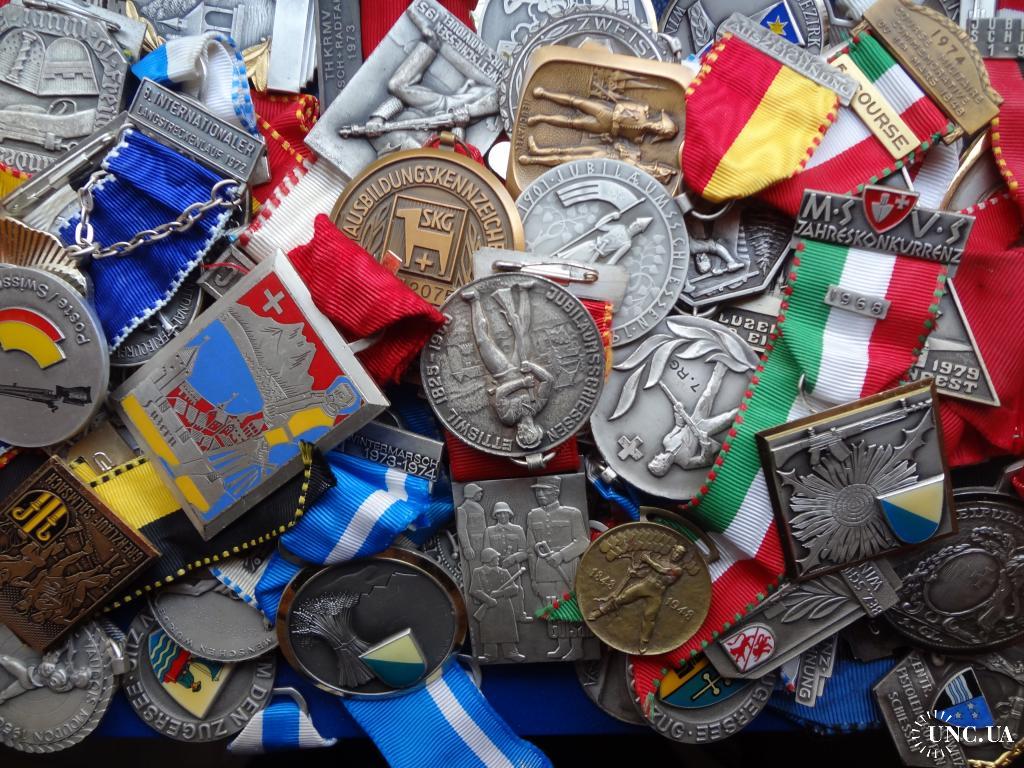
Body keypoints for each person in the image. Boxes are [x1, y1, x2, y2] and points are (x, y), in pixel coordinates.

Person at [462, 282, 553, 450]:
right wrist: (532, 367)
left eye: (521, 436)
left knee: (482, 340)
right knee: (522, 331)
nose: (522, 432)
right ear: (534, 429)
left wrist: (522, 383)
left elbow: (500, 393)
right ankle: (524, 291)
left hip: (502, 372)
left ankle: (474, 300)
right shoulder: (537, 406)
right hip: (521, 367)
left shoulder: (508, 418)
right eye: (527, 433)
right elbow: (548, 380)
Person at [526, 477, 588, 659]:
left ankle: (577, 648)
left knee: (570, 608)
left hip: (566, 569)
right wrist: (533, 578)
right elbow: (530, 550)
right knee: (552, 608)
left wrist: (561, 555)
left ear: (556, 492)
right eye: (537, 491)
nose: (540, 494)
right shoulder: (533, 515)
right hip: (543, 570)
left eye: (544, 490)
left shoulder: (572, 513)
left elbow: (583, 541)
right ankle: (562, 646)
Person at [587, 545, 690, 653]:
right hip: (645, 585)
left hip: (656, 594)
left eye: (680, 554)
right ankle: (598, 612)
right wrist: (636, 574)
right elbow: (648, 572)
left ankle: (644, 642)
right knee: (621, 598)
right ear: (672, 550)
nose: (677, 555)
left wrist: (648, 560)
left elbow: (662, 570)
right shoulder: (659, 559)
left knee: (650, 617)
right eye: (676, 552)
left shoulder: (678, 570)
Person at [469, 548, 526, 662]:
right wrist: (488, 599)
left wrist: (499, 593)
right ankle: (489, 654)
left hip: (504, 605)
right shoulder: (478, 572)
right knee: (489, 630)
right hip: (488, 606)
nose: (498, 559)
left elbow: (514, 589)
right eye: (496, 557)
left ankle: (511, 652)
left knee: (507, 628)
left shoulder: (503, 572)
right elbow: (474, 590)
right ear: (488, 559)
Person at [483, 502, 530, 622]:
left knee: (517, 590)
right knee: (496, 591)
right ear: (495, 515)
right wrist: (493, 562)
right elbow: (486, 551)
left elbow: (525, 551)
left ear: (509, 514)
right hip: (495, 567)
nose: (502, 516)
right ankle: (498, 618)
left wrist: (513, 558)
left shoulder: (518, 529)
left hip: (513, 567)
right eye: (499, 513)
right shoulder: (489, 531)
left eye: (505, 513)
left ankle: (520, 615)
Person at [456, 483, 486, 560]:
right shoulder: (463, 509)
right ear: (472, 493)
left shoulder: (478, 506)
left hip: (483, 544)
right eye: (478, 492)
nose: (481, 494)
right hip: (474, 545)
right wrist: (467, 547)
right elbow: (461, 529)